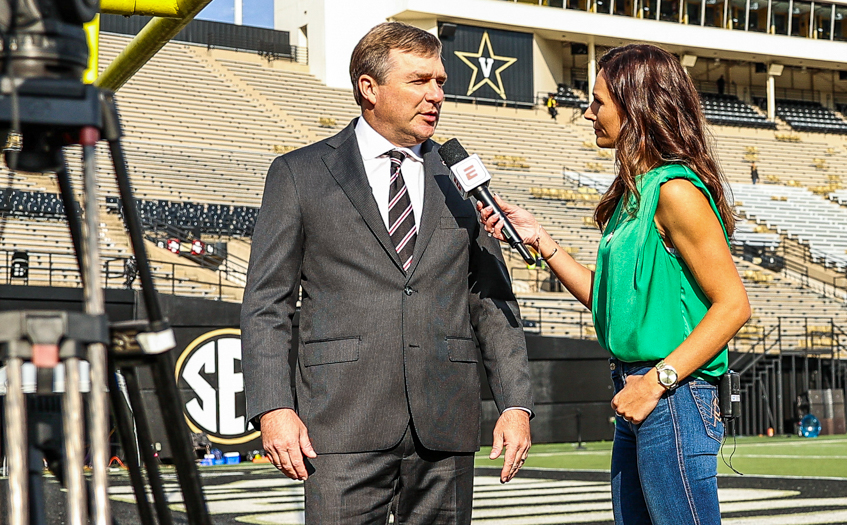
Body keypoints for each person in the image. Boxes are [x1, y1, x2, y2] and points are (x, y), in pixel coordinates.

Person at [241, 22, 533, 525]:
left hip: (444, 426)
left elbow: (489, 299)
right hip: (338, 425)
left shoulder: (462, 179)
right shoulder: (299, 173)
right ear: (369, 88)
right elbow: (267, 301)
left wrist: (516, 405)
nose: (437, 95)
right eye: (420, 81)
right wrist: (273, 407)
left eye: (440, 81)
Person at [478, 44, 751, 525]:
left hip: (672, 394)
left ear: (637, 107)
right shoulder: (633, 194)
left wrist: (657, 381)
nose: (588, 113)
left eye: (599, 101)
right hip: (639, 391)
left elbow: (733, 306)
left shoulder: (676, 192)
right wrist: (541, 240)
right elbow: (606, 302)